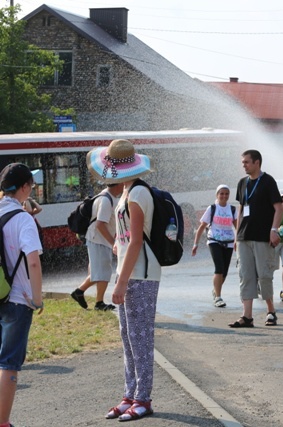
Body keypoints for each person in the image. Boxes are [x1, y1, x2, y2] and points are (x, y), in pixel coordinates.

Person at [87, 139, 158, 421]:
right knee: (128, 338)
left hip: (140, 275)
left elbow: (137, 241)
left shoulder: (139, 194)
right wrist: (118, 245)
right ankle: (130, 394)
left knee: (140, 339)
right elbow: (127, 238)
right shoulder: (128, 192)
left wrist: (121, 282)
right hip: (130, 273)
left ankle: (143, 398)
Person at [0, 163, 44, 427]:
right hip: (16, 300)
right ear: (25, 188)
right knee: (9, 363)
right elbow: (34, 262)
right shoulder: (23, 219)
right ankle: (3, 421)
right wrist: (37, 299)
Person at [230, 149, 283, 328]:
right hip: (244, 236)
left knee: (264, 276)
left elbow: (279, 208)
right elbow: (241, 208)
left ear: (257, 162)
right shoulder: (242, 183)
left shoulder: (268, 181)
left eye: (246, 162)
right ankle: (247, 316)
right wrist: (237, 236)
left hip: (262, 237)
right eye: (243, 162)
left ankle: (271, 311)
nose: (243, 165)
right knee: (245, 275)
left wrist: (274, 230)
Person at [70, 183, 124, 311]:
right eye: (123, 183)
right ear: (118, 185)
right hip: (98, 239)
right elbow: (100, 224)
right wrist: (113, 243)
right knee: (103, 271)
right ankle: (97, 302)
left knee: (99, 271)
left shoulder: (107, 196)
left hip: (98, 239)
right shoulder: (106, 200)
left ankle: (81, 293)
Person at [192, 184, 238, 308]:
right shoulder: (212, 208)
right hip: (214, 240)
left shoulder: (232, 209)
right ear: (217, 195)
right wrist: (195, 243)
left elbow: (237, 227)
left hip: (228, 241)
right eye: (221, 193)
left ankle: (215, 290)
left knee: (225, 272)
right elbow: (202, 226)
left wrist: (236, 241)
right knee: (219, 268)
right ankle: (218, 297)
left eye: (226, 193)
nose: (224, 196)